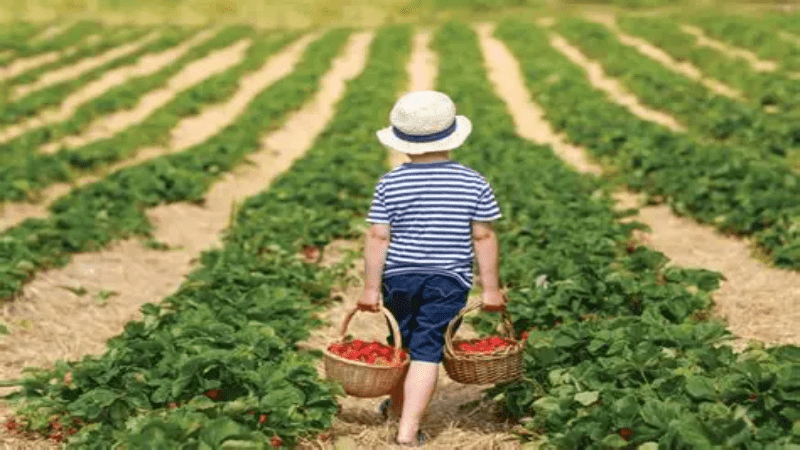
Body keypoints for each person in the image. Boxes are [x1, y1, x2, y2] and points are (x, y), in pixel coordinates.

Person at [357, 90, 506, 446]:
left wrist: (370, 288)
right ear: (452, 136)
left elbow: (378, 236)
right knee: (427, 350)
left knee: (400, 344)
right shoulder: (473, 181)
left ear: (402, 142)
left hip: (399, 277)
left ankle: (396, 411)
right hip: (448, 280)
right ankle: (408, 430)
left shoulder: (390, 182)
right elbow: (483, 237)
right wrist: (490, 289)